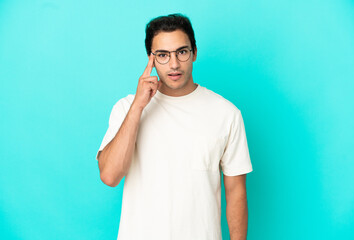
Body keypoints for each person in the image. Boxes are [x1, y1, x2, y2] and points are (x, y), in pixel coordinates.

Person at [95, 13, 253, 240]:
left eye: (182, 52)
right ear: (151, 59)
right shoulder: (126, 108)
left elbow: (236, 193)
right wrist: (138, 107)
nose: (174, 64)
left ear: (194, 53)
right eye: (162, 55)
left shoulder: (227, 114)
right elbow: (109, 176)